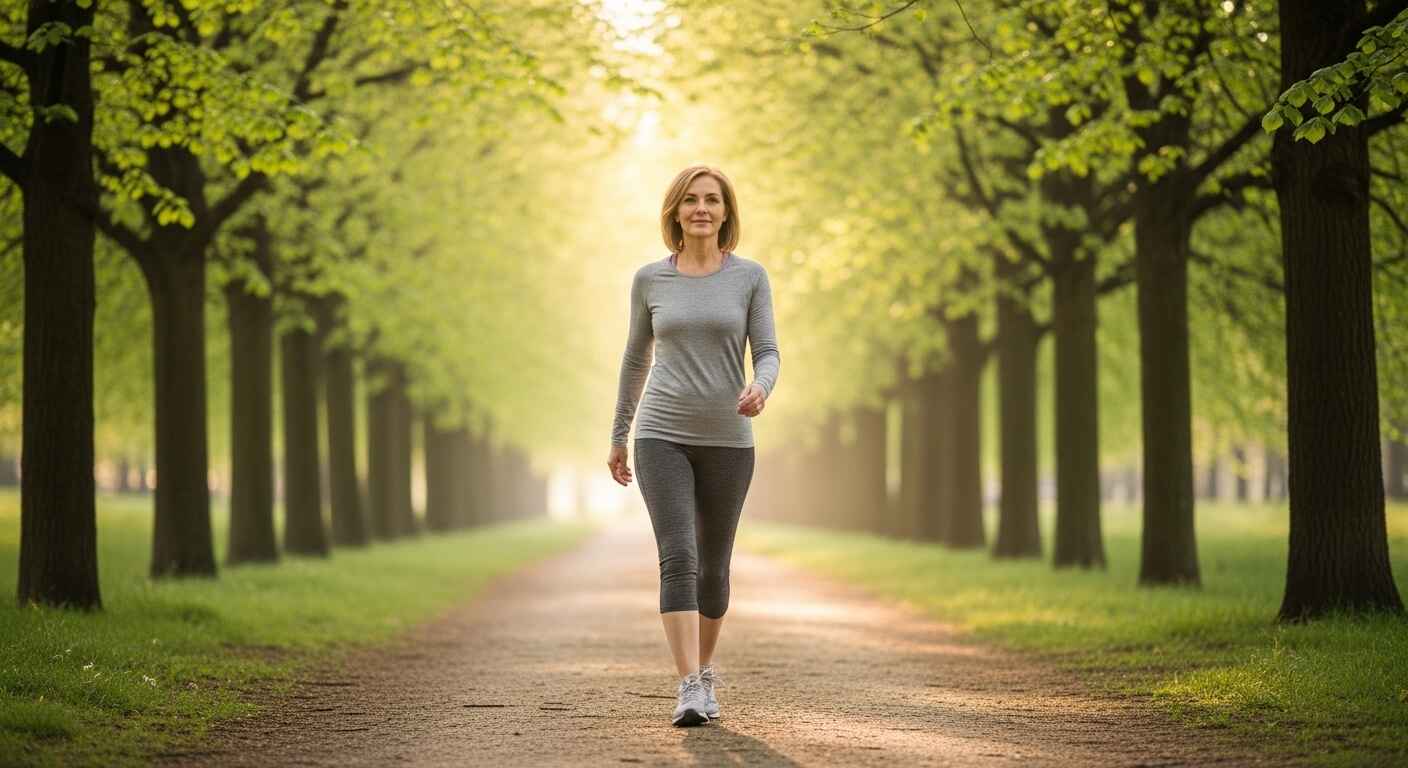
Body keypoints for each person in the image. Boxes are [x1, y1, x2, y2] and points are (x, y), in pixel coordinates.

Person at [607, 165, 781, 727]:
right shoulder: (650, 280)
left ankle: (705, 673)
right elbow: (636, 360)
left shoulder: (751, 277)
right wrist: (618, 436)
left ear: (727, 212)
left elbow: (770, 351)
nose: (701, 208)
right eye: (690, 200)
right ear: (675, 212)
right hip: (661, 435)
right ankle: (687, 685)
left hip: (729, 440)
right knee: (677, 556)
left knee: (714, 569)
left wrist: (761, 386)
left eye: (712, 200)